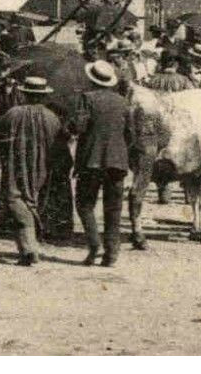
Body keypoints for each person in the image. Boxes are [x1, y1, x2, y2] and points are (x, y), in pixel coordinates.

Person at [0, 76, 62, 267]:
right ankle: (31, 246)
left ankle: (28, 248)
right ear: (43, 96)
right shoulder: (52, 117)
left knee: (16, 200)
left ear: (24, 94)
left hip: (16, 165)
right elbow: (60, 146)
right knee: (33, 200)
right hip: (42, 167)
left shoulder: (12, 114)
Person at [68, 59, 132, 267]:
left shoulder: (86, 99)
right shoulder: (123, 102)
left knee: (85, 204)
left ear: (92, 80)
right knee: (113, 210)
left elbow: (78, 127)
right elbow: (130, 134)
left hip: (91, 160)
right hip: (118, 162)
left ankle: (94, 244)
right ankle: (111, 254)